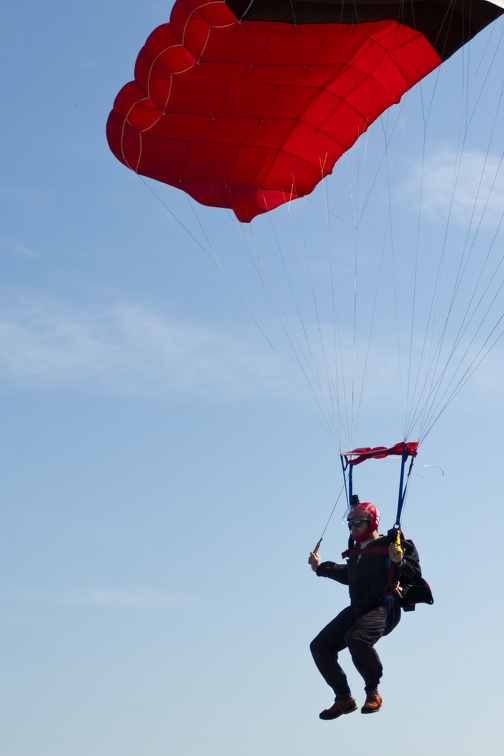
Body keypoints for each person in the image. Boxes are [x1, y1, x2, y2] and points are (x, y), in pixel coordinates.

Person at [308, 500, 422, 719]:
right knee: (319, 646)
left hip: (384, 607)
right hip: (358, 609)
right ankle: (343, 698)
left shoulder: (392, 543)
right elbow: (349, 575)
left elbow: (414, 573)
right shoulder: (356, 551)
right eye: (351, 524)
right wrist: (320, 568)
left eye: (358, 523)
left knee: (356, 638)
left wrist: (399, 561)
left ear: (371, 522)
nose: (354, 528)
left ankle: (373, 691)